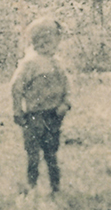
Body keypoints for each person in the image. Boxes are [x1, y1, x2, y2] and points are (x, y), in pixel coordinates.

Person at [10, 15, 72, 195]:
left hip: (54, 114)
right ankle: (32, 186)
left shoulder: (57, 63)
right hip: (34, 115)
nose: (50, 44)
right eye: (44, 40)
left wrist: (66, 104)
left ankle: (55, 187)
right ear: (37, 41)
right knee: (33, 154)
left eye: (53, 40)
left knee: (51, 153)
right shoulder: (29, 63)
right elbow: (16, 86)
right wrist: (17, 109)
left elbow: (67, 86)